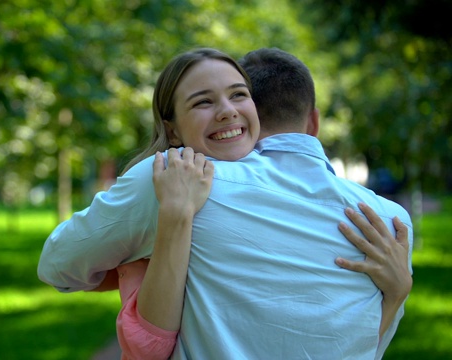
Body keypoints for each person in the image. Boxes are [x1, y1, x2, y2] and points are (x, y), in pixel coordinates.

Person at [38, 48, 414, 359]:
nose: (227, 111)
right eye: (203, 101)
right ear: (313, 122)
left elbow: (58, 266)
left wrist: (138, 259)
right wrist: (397, 294)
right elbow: (366, 349)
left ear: (254, 109)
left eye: (238, 94)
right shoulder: (391, 221)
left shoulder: (167, 180)